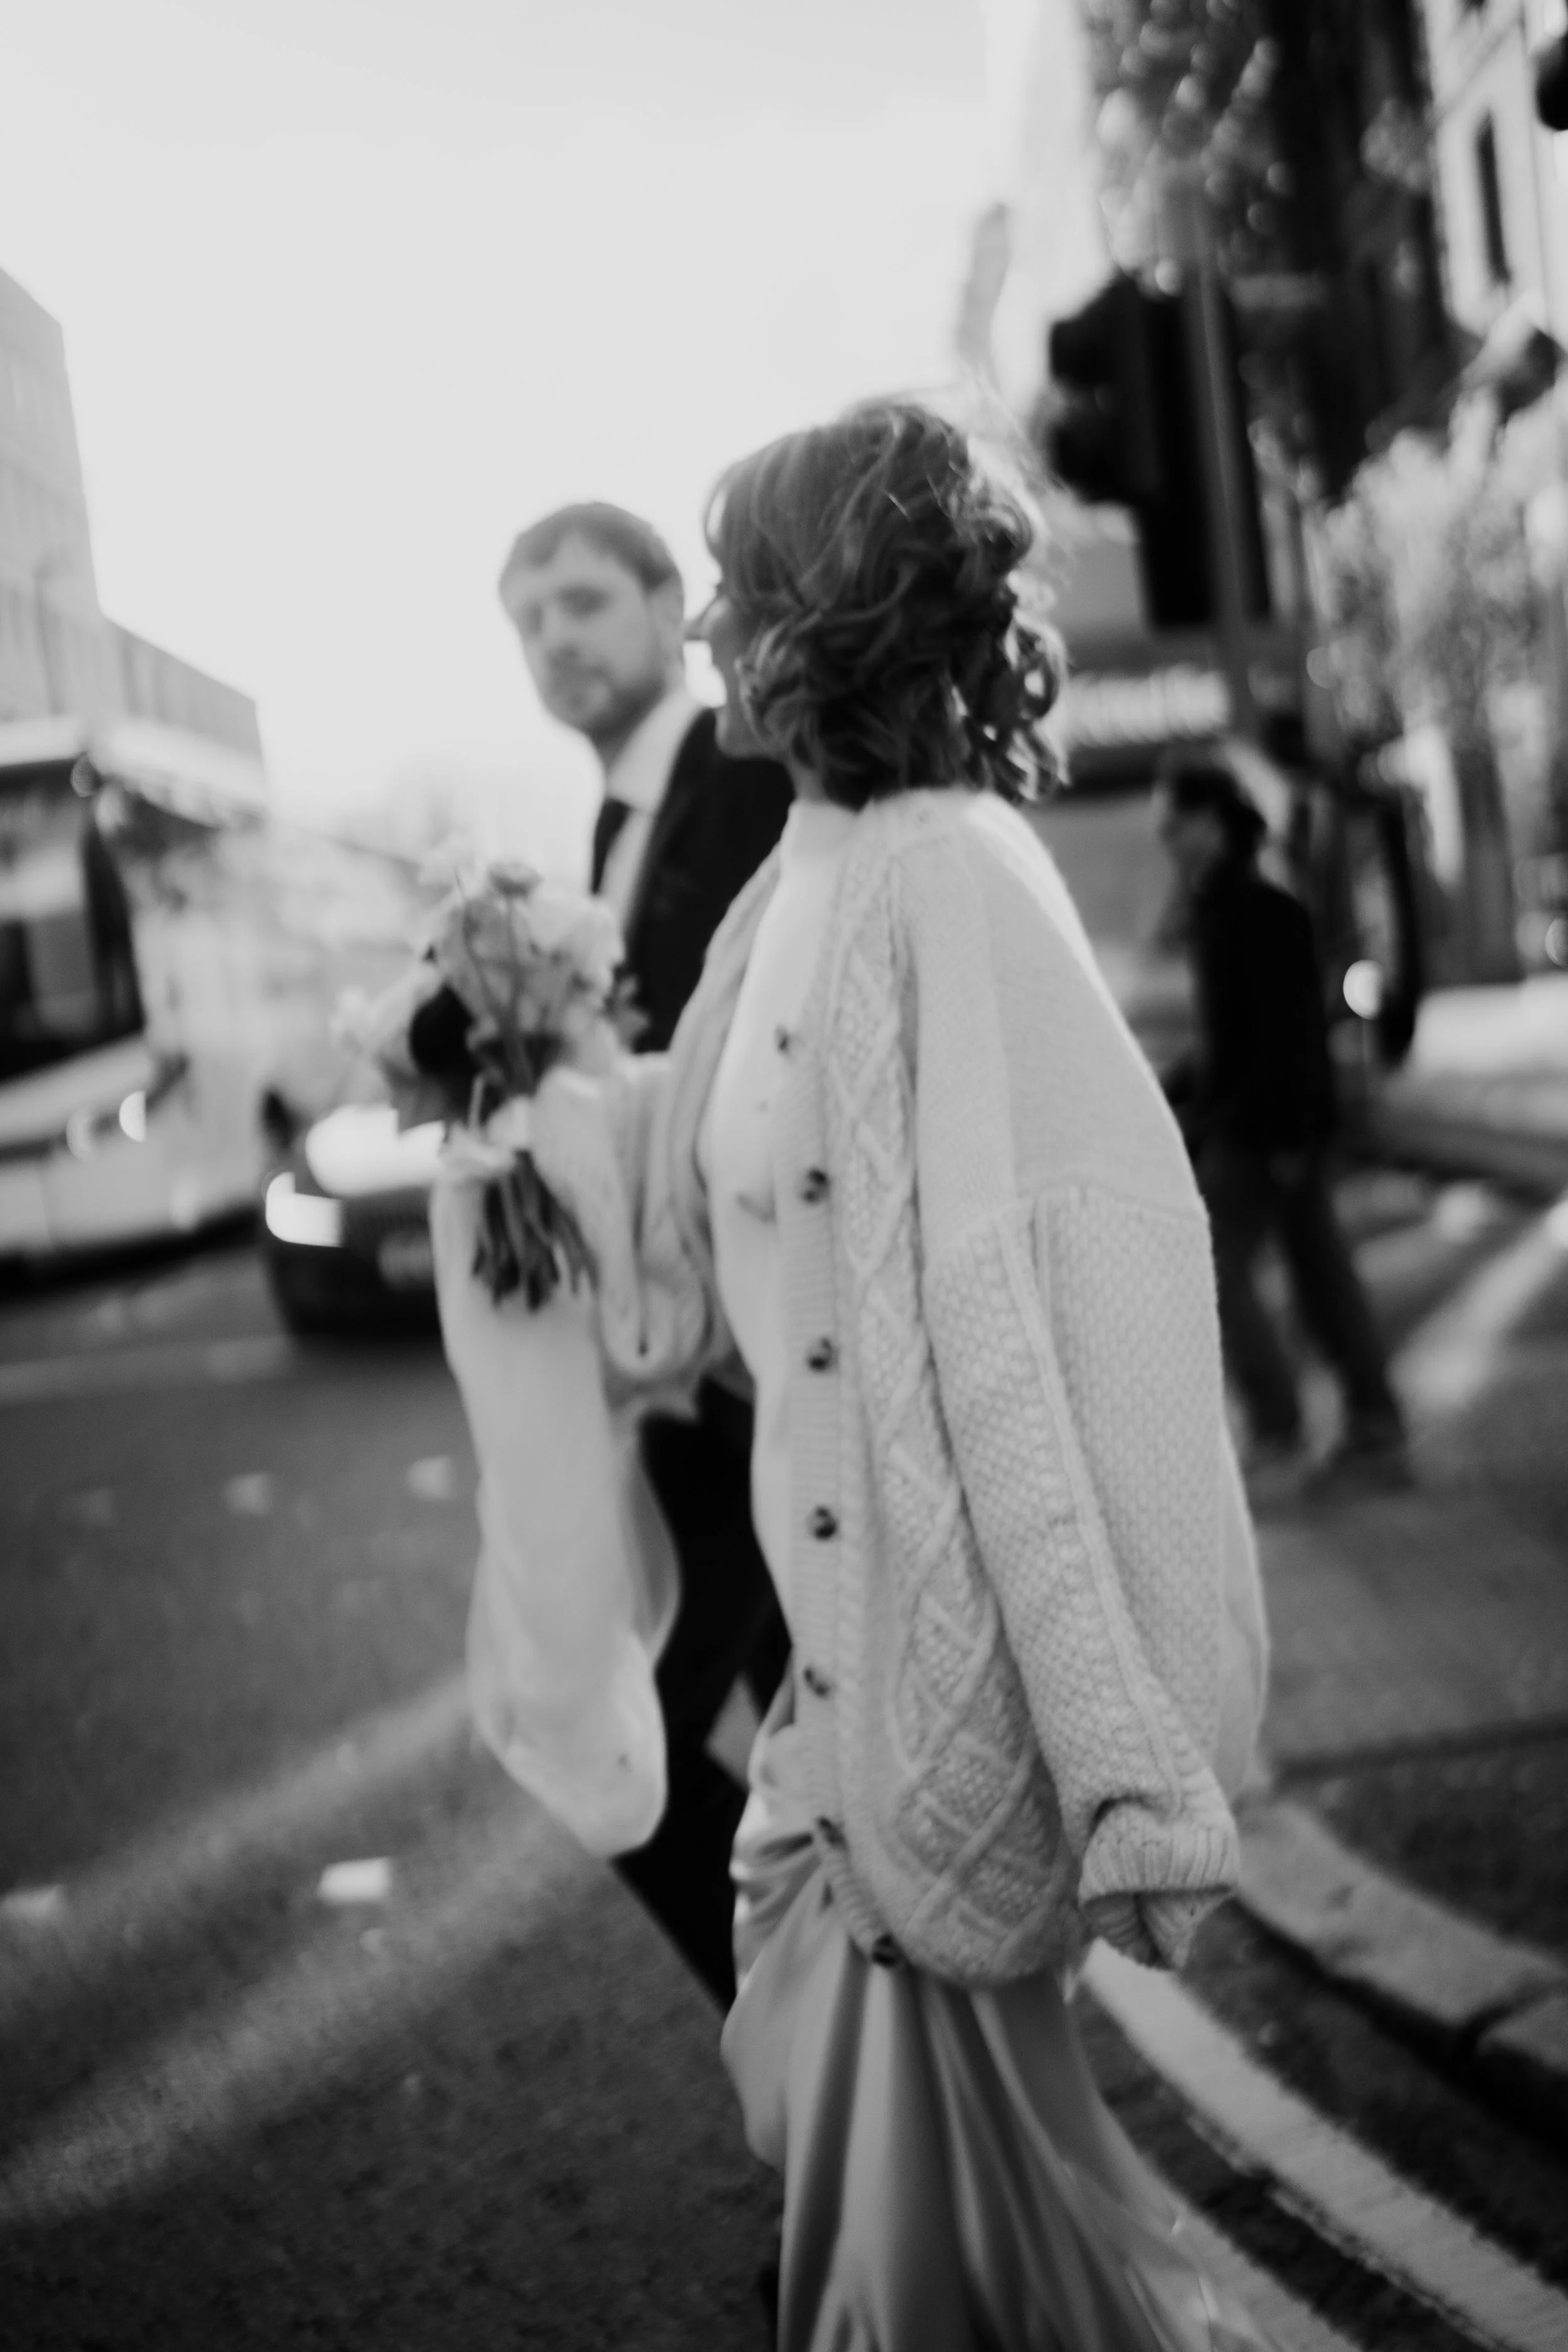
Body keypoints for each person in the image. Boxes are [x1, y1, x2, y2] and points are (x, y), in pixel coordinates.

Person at [531, 405, 1274, 2348]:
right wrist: (509, 1099)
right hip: (829, 1714)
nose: (704, 645)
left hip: (926, 1697)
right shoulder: (794, 883)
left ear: (823, 622)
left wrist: (1126, 1755)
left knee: (920, 2287)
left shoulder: (949, 877)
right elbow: (708, 1220)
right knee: (958, 2273)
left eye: (736, 598)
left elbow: (1039, 1315)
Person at [499, 502, 794, 2005]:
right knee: (810, 1764)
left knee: (636, 1754)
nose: (556, 637)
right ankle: (867, 2133)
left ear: (667, 601)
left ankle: (819, 2071)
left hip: (758, 1367)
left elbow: (737, 1050)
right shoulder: (610, 824)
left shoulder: (734, 776)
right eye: (529, 615)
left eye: (584, 599)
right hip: (682, 1372)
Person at [1153, 755, 1407, 1499]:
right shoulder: (1222, 906)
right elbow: (1224, 1039)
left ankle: (1278, 1424)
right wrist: (1172, 1087)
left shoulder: (1257, 911)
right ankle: (1372, 1414)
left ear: (1210, 824)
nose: (1169, 844)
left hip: (1263, 1129)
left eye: (1176, 828)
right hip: (1261, 1121)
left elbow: (1288, 1036)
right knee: (1318, 1266)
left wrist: (1291, 1132)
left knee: (1212, 1260)